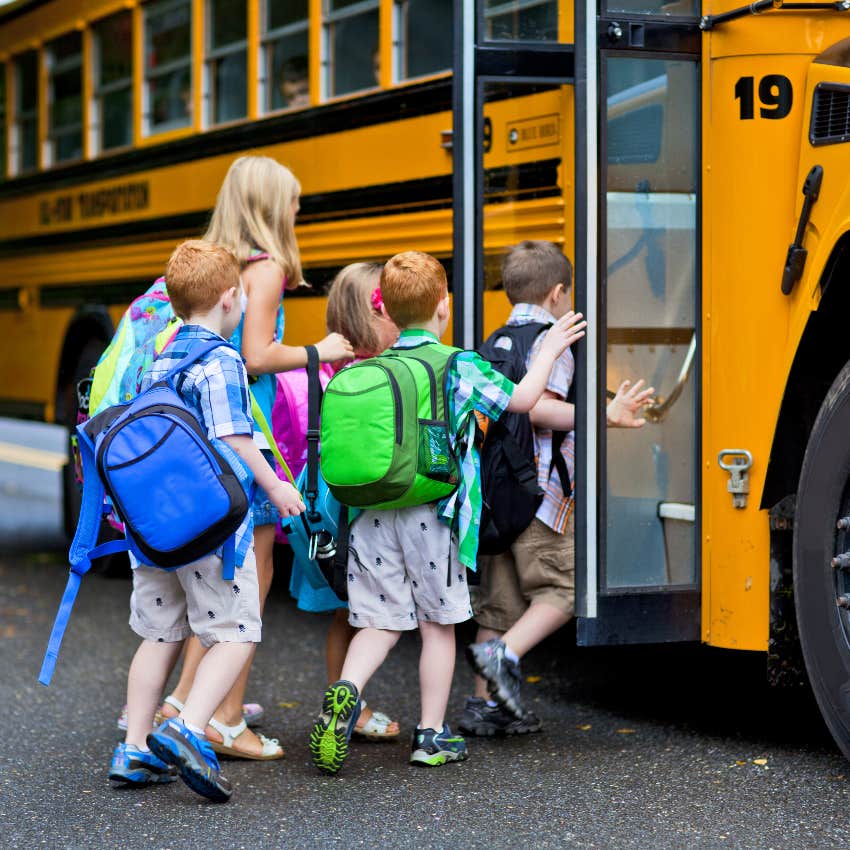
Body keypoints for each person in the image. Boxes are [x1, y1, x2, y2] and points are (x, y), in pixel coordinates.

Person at [307, 250, 587, 773]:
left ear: (386, 312)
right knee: (437, 626)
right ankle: (431, 736)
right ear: (445, 306)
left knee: (379, 624)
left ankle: (346, 690)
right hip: (432, 517)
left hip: (371, 515)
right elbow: (524, 400)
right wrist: (547, 351)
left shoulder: (374, 366)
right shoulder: (459, 364)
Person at [155, 156, 354, 759]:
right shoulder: (263, 269)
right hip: (250, 428)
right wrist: (319, 348)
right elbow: (257, 355)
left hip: (206, 437)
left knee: (220, 582)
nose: (297, 212)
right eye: (293, 201)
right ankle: (225, 718)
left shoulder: (218, 261)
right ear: (271, 206)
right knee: (250, 579)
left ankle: (183, 702)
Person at [109, 241, 305, 803]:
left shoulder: (157, 354)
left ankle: (137, 746)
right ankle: (189, 726)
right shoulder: (221, 360)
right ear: (229, 298)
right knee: (240, 630)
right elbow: (234, 436)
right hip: (211, 527)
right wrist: (277, 486)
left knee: (158, 634)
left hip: (152, 526)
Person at [462, 240, 653, 736]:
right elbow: (541, 407)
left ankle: (485, 707)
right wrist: (604, 415)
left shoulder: (496, 341)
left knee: (500, 605)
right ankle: (500, 656)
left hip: (495, 496)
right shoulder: (556, 337)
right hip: (540, 497)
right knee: (565, 588)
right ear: (558, 292)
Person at [283, 262, 401, 740]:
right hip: (358, 506)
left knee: (343, 611)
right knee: (368, 612)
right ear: (373, 316)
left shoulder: (333, 370)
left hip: (326, 501)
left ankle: (341, 699)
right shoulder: (373, 376)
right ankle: (353, 703)